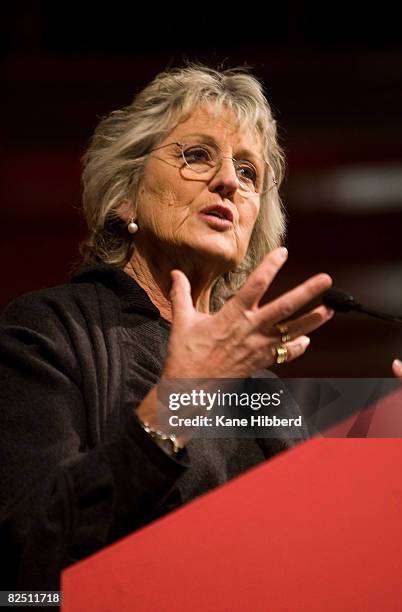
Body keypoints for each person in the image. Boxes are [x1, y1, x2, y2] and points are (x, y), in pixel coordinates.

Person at [0, 64, 334, 593]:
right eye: (197, 155)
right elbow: (27, 564)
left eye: (248, 172)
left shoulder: (263, 391)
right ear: (126, 195)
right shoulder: (50, 332)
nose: (228, 180)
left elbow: (328, 561)